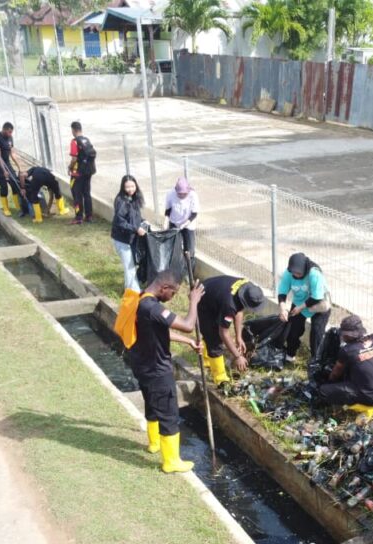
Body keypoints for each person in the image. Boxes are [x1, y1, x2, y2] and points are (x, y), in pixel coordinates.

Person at [129, 270, 205, 473]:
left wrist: (187, 341)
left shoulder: (141, 299)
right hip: (157, 371)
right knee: (169, 415)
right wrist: (194, 301)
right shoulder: (153, 308)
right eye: (173, 293)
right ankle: (171, 462)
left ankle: (154, 443)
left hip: (142, 366)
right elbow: (188, 325)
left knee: (153, 407)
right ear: (164, 288)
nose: (172, 297)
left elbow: (160, 329)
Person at [316, 315, 373, 414]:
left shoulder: (347, 351)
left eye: (344, 335)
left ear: (350, 335)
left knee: (324, 391)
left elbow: (335, 374)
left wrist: (329, 384)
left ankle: (340, 409)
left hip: (372, 398)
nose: (343, 337)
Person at [198, 275, 266, 384]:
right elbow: (223, 333)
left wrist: (238, 337)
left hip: (215, 291)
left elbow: (239, 309)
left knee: (212, 333)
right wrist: (238, 356)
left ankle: (207, 359)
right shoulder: (229, 305)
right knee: (213, 338)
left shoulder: (247, 288)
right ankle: (220, 379)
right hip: (202, 298)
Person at [277, 252, 330, 364]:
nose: (296, 275)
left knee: (317, 332)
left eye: (299, 273)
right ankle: (290, 355)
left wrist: (301, 308)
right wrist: (282, 307)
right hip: (299, 302)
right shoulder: (288, 273)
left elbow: (317, 297)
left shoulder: (314, 274)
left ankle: (316, 360)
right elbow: (282, 291)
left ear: (304, 269)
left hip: (318, 304)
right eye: (294, 273)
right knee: (293, 329)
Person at [111, 175, 148, 291]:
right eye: (127, 187)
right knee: (130, 267)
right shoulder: (121, 201)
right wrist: (136, 229)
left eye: (133, 186)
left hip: (130, 238)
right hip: (122, 240)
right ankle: (134, 293)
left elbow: (134, 216)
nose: (131, 189)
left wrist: (142, 221)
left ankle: (130, 289)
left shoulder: (134, 198)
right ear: (123, 187)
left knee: (131, 265)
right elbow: (120, 222)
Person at [0, 122, 22, 217]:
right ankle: (6, 208)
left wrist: (19, 166)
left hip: (7, 163)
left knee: (14, 182)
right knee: (4, 186)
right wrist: (4, 171)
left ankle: (17, 206)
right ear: (4, 129)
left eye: (11, 132)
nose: (10, 134)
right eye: (9, 132)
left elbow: (12, 153)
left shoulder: (10, 138)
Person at [164, 177, 199, 262]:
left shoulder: (193, 195)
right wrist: (165, 221)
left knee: (189, 249)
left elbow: (194, 213)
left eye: (184, 194)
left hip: (188, 224)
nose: (182, 195)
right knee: (173, 246)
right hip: (174, 222)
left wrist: (185, 223)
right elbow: (168, 210)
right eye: (179, 194)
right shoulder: (170, 194)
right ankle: (176, 267)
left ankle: (189, 270)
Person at [68, 121, 96, 224]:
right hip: (88, 171)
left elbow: (74, 158)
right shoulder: (86, 140)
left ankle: (78, 217)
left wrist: (70, 167)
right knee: (87, 193)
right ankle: (89, 216)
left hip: (77, 173)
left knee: (76, 194)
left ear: (73, 130)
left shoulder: (74, 142)